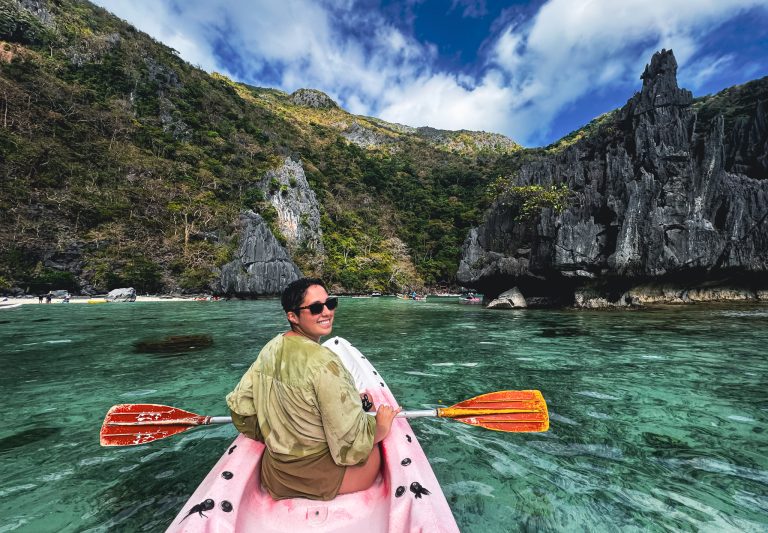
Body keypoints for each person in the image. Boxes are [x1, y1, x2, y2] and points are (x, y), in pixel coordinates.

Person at [226, 277, 400, 501]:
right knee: (374, 444)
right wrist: (380, 427)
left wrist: (275, 433)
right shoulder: (325, 362)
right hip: (319, 479)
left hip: (276, 475)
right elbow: (351, 446)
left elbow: (241, 412)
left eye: (331, 303)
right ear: (292, 316)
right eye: (316, 308)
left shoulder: (270, 348)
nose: (327, 312)